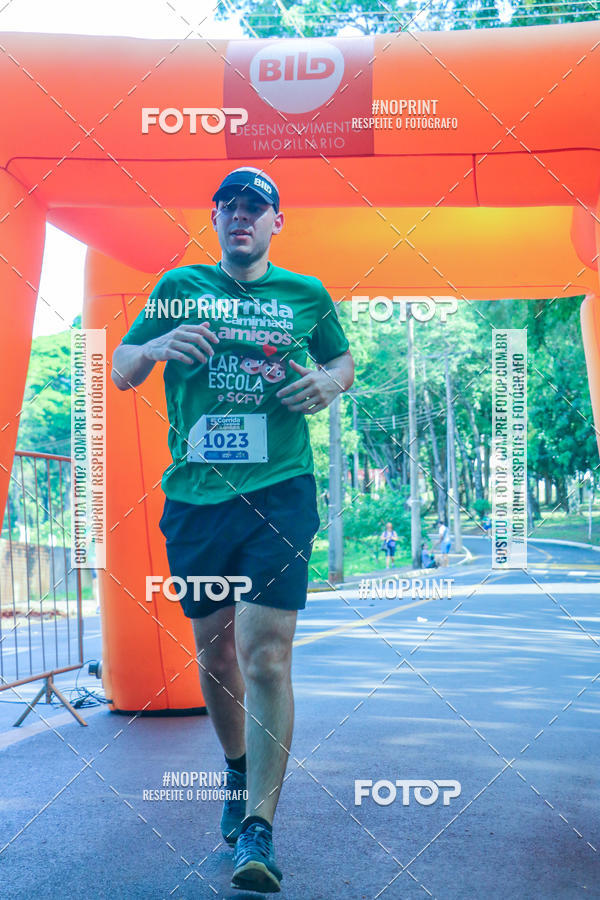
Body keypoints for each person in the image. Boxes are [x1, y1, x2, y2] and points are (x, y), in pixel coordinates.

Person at [110, 166, 354, 894]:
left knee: (266, 656)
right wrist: (153, 350)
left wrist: (331, 381)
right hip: (197, 498)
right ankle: (238, 767)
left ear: (278, 221)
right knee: (216, 656)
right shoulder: (178, 286)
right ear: (215, 219)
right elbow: (122, 367)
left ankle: (260, 827)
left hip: (280, 492)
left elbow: (342, 358)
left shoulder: (306, 295)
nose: (241, 217)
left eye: (256, 207)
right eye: (229, 207)